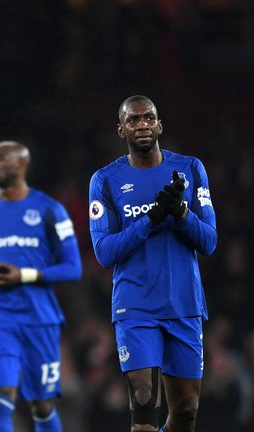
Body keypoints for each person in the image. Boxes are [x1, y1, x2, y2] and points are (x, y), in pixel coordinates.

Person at [88, 95, 217, 432]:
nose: (142, 124)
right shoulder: (105, 180)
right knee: (144, 406)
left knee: (186, 411)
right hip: (136, 307)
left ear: (159, 125)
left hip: (184, 304)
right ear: (121, 129)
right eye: (133, 120)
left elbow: (209, 241)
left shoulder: (190, 169)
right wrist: (151, 220)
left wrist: (180, 213)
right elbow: (104, 251)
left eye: (148, 118)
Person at [0, 141, 82, 432]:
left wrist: (23, 275)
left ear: (21, 164)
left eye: (0, 160)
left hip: (40, 319)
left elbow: (73, 268)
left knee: (42, 405)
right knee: (1, 396)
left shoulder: (50, 209)